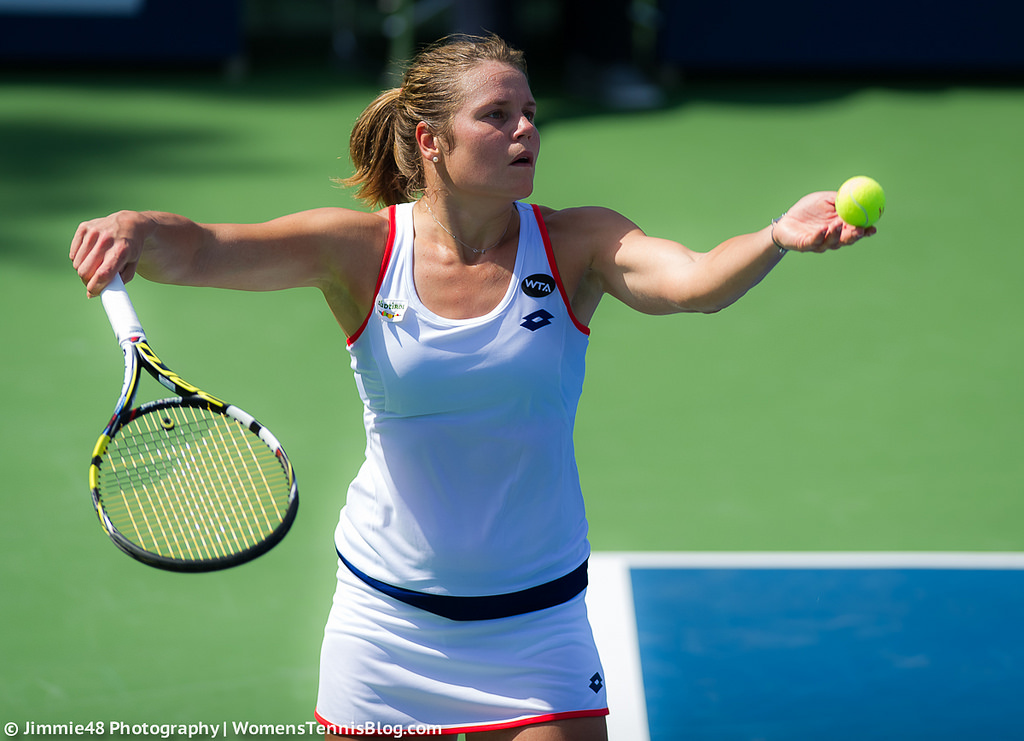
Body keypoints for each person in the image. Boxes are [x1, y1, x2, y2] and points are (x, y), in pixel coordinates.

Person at [69, 34, 875, 741]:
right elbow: (205, 248)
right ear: (430, 140)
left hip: (539, 627)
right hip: (385, 624)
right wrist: (136, 228)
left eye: (529, 113)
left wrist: (776, 236)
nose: (526, 130)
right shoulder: (360, 250)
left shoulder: (578, 243)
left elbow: (695, 281)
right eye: (497, 116)